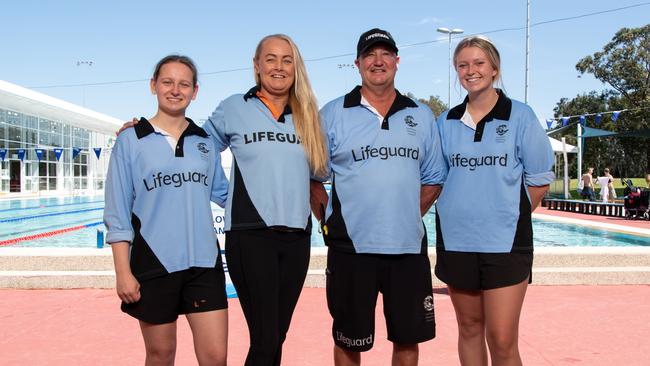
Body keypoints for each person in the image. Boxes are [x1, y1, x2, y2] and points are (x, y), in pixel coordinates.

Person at [311, 28, 445, 366]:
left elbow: (433, 179)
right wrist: (328, 221)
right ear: (357, 64)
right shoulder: (332, 114)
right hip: (350, 249)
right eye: (370, 54)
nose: (378, 61)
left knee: (407, 340)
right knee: (349, 341)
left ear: (397, 62)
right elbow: (313, 178)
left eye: (385, 54)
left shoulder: (421, 114)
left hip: (407, 249)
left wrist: (404, 216)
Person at [203, 34, 328, 366]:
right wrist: (223, 194)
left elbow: (320, 170)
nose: (279, 67)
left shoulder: (308, 114)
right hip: (250, 234)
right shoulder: (234, 107)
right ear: (257, 66)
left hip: (297, 238)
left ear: (296, 67)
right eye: (270, 59)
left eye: (287, 60)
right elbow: (199, 149)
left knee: (277, 335)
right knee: (266, 337)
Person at [435, 36, 555, 366]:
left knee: (501, 338)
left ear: (494, 69)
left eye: (478, 63)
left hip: (505, 243)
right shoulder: (444, 122)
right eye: (463, 65)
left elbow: (539, 179)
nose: (470, 70)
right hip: (458, 240)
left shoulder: (521, 116)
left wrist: (506, 213)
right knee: (469, 328)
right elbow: (436, 178)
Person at [104, 55, 229, 366]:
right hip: (154, 261)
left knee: (216, 357)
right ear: (153, 86)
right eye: (167, 82)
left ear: (195, 91)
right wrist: (123, 272)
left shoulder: (205, 143)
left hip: (203, 262)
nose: (176, 90)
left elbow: (226, 195)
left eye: (184, 84)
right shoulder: (131, 140)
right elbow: (117, 210)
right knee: (161, 354)